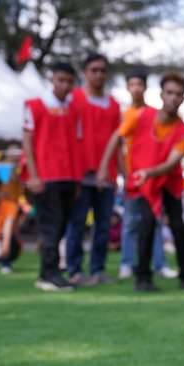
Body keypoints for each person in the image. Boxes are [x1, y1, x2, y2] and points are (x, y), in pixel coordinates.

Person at [98, 71, 184, 291]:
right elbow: (117, 137)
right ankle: (142, 277)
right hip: (144, 183)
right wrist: (105, 167)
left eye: (178, 94)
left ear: (183, 98)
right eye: (169, 92)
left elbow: (171, 164)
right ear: (161, 94)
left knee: (179, 226)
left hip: (169, 183)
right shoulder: (140, 115)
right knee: (146, 225)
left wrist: (148, 173)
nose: (173, 98)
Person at [23, 62, 80, 292]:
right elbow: (27, 140)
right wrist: (33, 175)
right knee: (50, 227)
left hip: (68, 177)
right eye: (60, 80)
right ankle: (50, 274)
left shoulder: (73, 110)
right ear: (52, 80)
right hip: (45, 178)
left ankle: (49, 273)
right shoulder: (35, 105)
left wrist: (76, 179)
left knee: (60, 228)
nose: (64, 85)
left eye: (68, 81)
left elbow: (76, 145)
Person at [65, 53, 121, 286]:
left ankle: (98, 269)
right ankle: (74, 270)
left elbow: (118, 141)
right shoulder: (74, 99)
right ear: (85, 73)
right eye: (94, 70)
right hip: (81, 174)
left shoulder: (114, 105)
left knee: (103, 225)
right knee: (77, 223)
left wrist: (119, 172)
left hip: (106, 175)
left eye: (102, 70)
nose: (98, 74)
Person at [115, 70, 175, 282]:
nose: (136, 88)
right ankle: (126, 263)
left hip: (151, 177)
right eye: (132, 84)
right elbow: (118, 146)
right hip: (132, 177)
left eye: (140, 84)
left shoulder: (154, 114)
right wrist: (124, 172)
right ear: (127, 88)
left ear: (145, 87)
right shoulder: (124, 114)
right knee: (131, 221)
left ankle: (159, 264)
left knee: (155, 222)